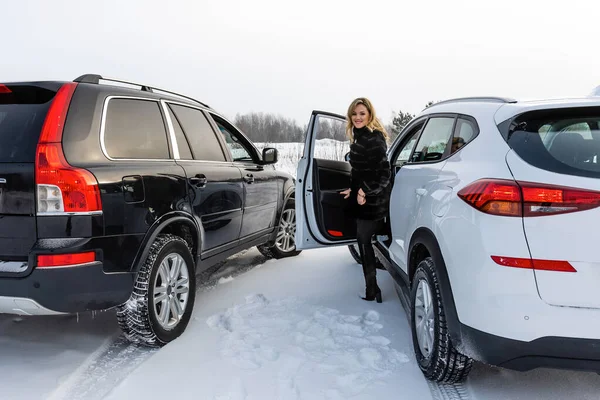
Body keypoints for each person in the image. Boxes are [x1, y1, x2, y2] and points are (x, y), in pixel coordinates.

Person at [340, 97, 391, 303]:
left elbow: (384, 175)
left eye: (362, 113)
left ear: (370, 114)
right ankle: (372, 289)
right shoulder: (359, 137)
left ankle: (372, 290)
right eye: (354, 114)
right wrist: (352, 190)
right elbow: (361, 172)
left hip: (373, 203)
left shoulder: (374, 138)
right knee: (363, 241)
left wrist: (365, 192)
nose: (358, 117)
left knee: (364, 242)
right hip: (363, 200)